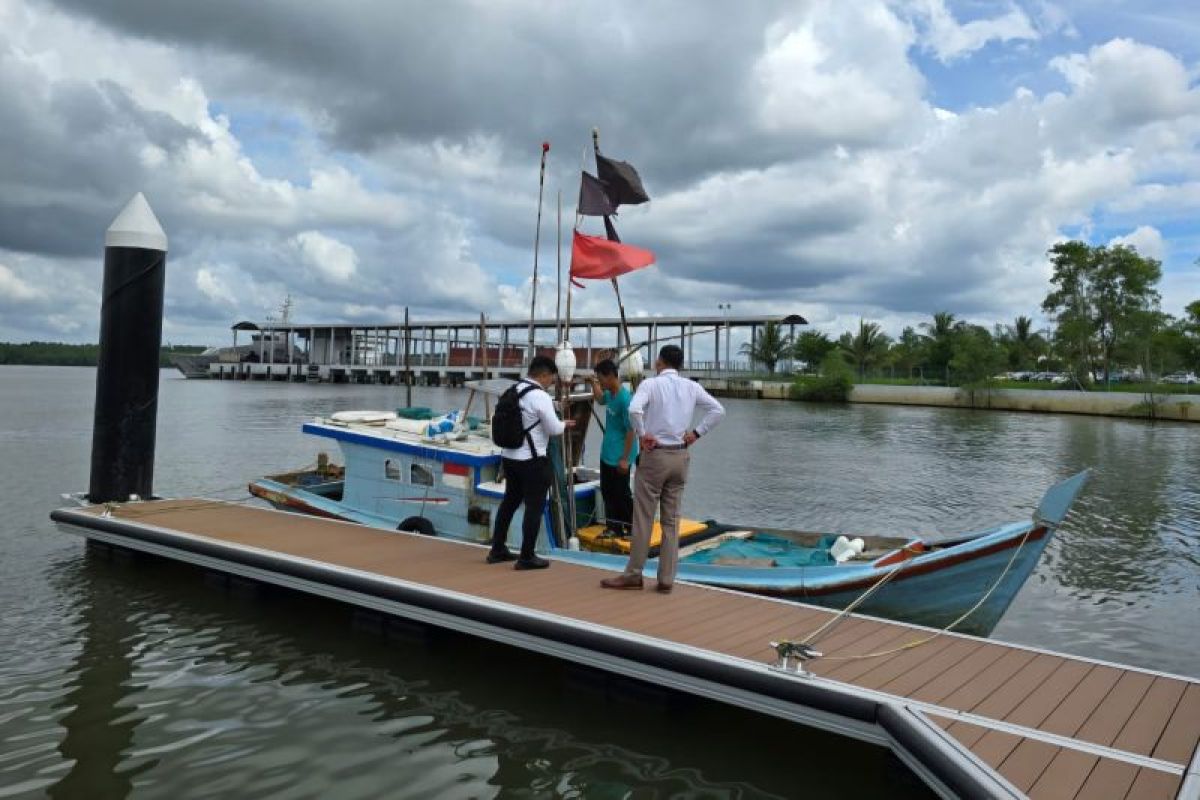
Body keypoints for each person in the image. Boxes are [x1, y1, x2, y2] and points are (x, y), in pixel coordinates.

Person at [600, 344, 724, 593]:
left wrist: (643, 434)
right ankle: (667, 578)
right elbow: (717, 410)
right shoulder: (691, 386)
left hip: (655, 456)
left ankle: (634, 574)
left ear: (660, 362)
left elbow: (635, 409)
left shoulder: (651, 384)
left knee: (644, 517)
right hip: (680, 455)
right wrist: (696, 433)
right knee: (671, 520)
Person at [488, 355, 574, 570]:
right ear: (543, 375)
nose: (551, 382)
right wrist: (565, 424)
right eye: (551, 379)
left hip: (509, 458)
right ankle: (526, 556)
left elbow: (528, 413)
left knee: (509, 503)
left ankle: (497, 549)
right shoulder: (540, 396)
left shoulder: (515, 390)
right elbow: (553, 429)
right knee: (534, 508)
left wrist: (554, 406)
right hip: (532, 461)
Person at [589, 358, 638, 536]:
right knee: (608, 491)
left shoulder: (626, 400)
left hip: (620, 455)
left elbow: (632, 431)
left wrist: (625, 459)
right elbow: (601, 399)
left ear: (610, 376)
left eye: (600, 378)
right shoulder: (611, 394)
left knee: (622, 493)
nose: (600, 382)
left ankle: (632, 526)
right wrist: (593, 384)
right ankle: (613, 527)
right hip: (607, 453)